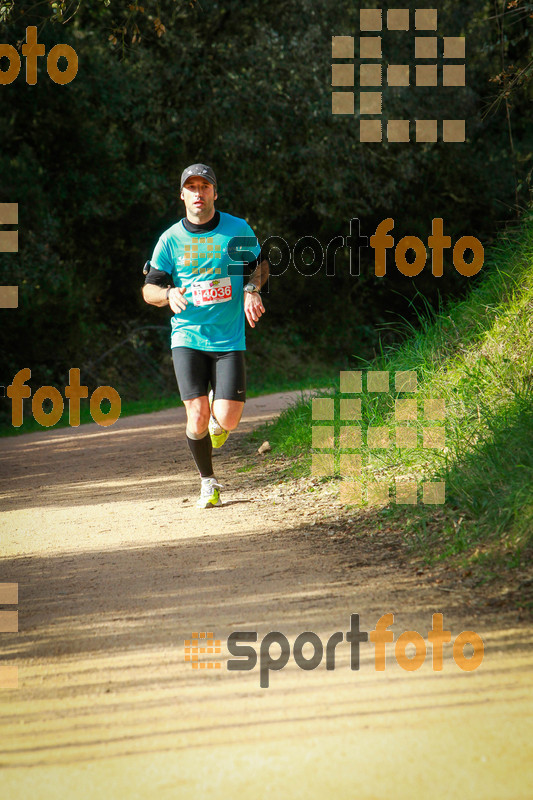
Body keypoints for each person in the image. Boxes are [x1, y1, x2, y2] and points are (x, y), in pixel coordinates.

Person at [142, 163, 269, 508]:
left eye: (205, 187)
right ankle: (208, 482)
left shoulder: (237, 229)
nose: (199, 193)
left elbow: (260, 265)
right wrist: (168, 294)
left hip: (229, 339)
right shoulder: (170, 240)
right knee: (196, 414)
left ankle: (219, 420)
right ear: (182, 195)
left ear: (215, 193)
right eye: (192, 188)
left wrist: (253, 289)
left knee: (226, 418)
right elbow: (149, 289)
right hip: (187, 337)